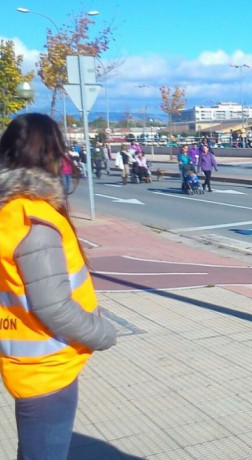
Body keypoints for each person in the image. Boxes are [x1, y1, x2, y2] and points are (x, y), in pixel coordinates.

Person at [0, 113, 117, 459]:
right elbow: (53, 306)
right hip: (47, 370)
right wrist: (103, 332)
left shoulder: (9, 210)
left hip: (28, 362)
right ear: (49, 154)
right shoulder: (34, 219)